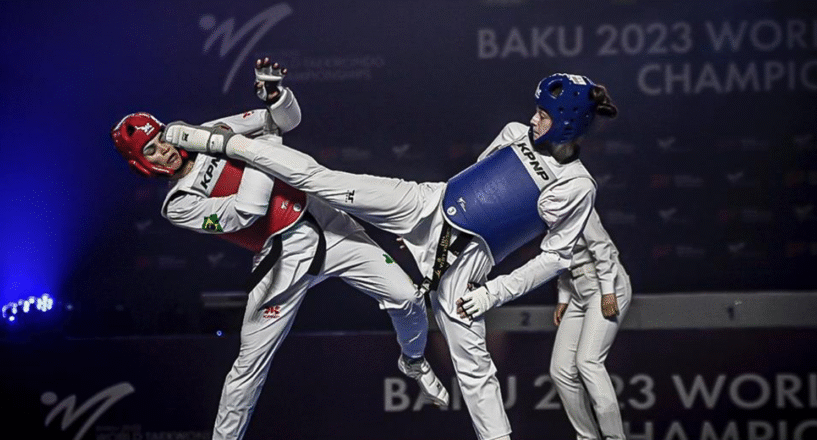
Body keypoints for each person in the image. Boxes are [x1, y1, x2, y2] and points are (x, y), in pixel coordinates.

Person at [163, 72, 618, 440]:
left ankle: (419, 364)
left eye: (543, 113)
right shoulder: (515, 132)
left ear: (568, 123)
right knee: (326, 180)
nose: (534, 118)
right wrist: (423, 232)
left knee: (476, 374)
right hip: (425, 204)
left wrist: (491, 294)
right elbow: (475, 180)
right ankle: (217, 143)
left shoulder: (577, 187)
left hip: (467, 268)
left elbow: (556, 257)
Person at [110, 58, 448, 440]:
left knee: (408, 298)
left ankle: (414, 362)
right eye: (152, 150)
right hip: (281, 258)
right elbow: (246, 212)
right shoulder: (179, 203)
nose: (165, 151)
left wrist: (277, 97)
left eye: (162, 138)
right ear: (141, 163)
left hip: (328, 223)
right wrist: (260, 149)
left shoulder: (208, 133)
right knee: (249, 366)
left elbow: (285, 121)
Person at [550, 209, 631, 440]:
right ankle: (587, 437)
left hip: (605, 283)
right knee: (560, 370)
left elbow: (602, 247)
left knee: (588, 361)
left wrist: (608, 291)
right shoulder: (542, 209)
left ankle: (615, 438)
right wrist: (564, 297)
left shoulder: (576, 197)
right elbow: (560, 255)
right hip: (577, 289)